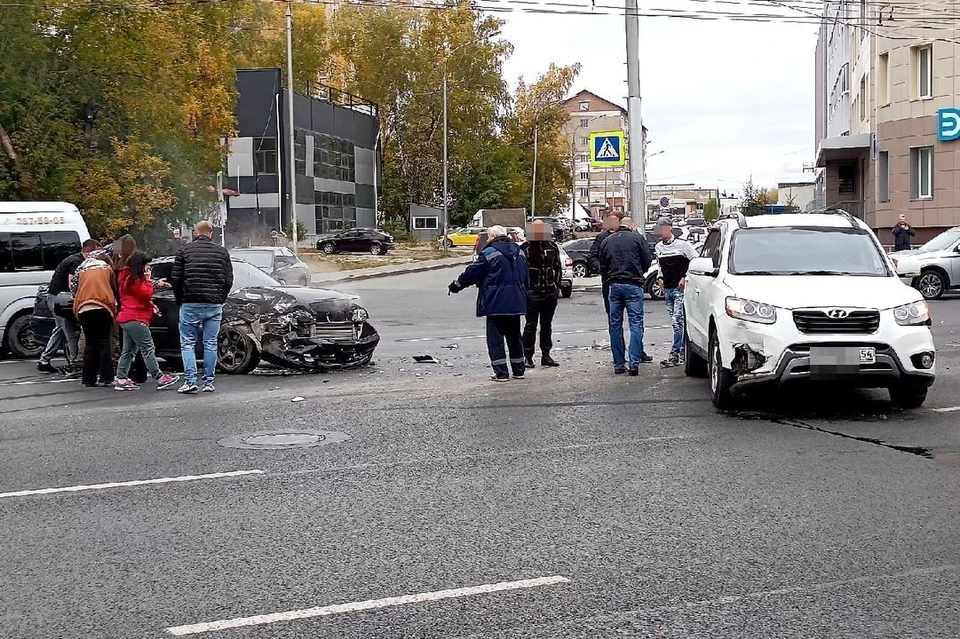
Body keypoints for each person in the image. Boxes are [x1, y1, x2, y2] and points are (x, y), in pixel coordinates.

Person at [448, 225, 528, 382]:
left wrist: (455, 286)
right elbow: (526, 277)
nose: (488, 239)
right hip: (516, 302)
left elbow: (472, 273)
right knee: (514, 337)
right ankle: (519, 370)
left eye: (489, 237)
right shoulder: (520, 252)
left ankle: (501, 373)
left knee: (495, 340)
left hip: (495, 303)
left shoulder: (489, 253)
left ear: (492, 237)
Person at [170, 220, 234, 394]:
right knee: (211, 343)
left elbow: (175, 279)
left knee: (188, 343)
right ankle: (208, 382)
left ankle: (190, 381)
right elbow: (228, 280)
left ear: (195, 232)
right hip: (213, 304)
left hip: (190, 303)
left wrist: (180, 299)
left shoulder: (184, 251)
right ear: (211, 233)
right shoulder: (222, 252)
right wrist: (220, 298)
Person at [113, 252, 181, 391]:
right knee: (148, 348)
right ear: (141, 265)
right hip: (136, 318)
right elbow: (146, 293)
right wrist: (148, 279)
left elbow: (138, 299)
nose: (148, 268)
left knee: (129, 350)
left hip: (127, 317)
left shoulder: (126, 277)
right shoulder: (135, 280)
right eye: (147, 265)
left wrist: (151, 306)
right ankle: (160, 377)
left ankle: (121, 378)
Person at [599, 216, 654, 375]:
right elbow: (647, 261)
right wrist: (638, 272)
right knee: (636, 324)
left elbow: (603, 264)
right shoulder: (638, 239)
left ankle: (618, 365)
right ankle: (634, 363)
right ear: (632, 226)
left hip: (614, 285)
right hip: (633, 285)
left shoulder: (607, 241)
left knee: (615, 326)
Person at [37, 239, 101, 373]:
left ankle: (44, 360)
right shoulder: (77, 262)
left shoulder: (75, 259)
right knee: (70, 331)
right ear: (88, 252)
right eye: (96, 252)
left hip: (55, 297)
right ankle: (74, 363)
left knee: (60, 329)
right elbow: (72, 282)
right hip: (59, 299)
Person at [654, 217, 698, 368]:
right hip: (668, 289)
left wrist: (685, 277)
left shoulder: (683, 245)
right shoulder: (659, 247)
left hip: (680, 290)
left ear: (670, 228)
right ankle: (684, 353)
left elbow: (696, 262)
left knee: (677, 321)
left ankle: (675, 354)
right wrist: (660, 277)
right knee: (677, 323)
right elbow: (660, 264)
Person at [72, 254, 118, 387]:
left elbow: (74, 288)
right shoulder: (107, 268)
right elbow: (114, 288)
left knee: (90, 344)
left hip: (83, 308)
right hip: (102, 307)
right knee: (104, 343)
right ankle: (106, 377)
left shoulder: (82, 268)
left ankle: (88, 378)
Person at [521, 221, 562, 369]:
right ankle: (527, 356)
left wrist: (556, 286)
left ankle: (546, 355)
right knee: (530, 325)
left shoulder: (552, 247)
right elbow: (520, 271)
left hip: (550, 293)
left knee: (547, 325)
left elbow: (558, 267)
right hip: (533, 293)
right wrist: (526, 289)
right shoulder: (525, 248)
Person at [588, 212, 626, 316]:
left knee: (634, 316)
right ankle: (614, 332)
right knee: (612, 315)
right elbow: (592, 256)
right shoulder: (602, 237)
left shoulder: (627, 236)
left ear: (620, 222)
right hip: (609, 281)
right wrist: (602, 269)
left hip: (627, 279)